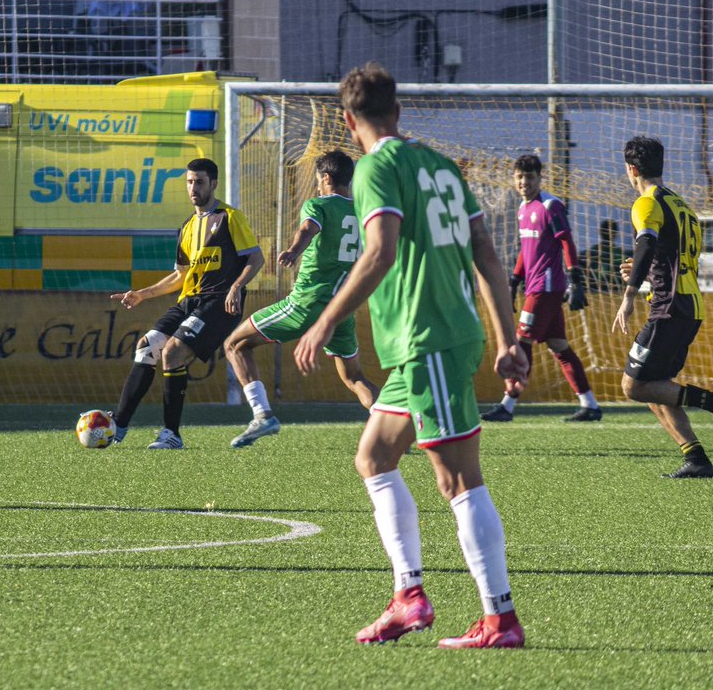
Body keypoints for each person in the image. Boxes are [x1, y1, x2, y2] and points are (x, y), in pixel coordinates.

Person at [296, 62, 529, 649]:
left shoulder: (375, 167)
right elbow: (487, 255)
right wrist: (506, 340)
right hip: (430, 343)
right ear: (398, 111)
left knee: (458, 481)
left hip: (431, 338)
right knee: (373, 457)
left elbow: (378, 252)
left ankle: (500, 618)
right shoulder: (443, 167)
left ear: (349, 123)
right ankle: (408, 597)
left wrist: (325, 320)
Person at [223, 150, 378, 448]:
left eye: (319, 180)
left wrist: (294, 250)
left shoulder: (318, 204)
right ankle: (392, 427)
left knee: (234, 344)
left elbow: (308, 228)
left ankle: (262, 415)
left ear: (327, 178)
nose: (317, 186)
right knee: (355, 376)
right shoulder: (363, 211)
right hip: (342, 309)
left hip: (306, 303)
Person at [109, 158, 265, 449]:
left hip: (219, 302)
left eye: (200, 182)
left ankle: (171, 434)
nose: (194, 188)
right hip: (190, 301)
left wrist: (236, 287)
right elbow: (181, 276)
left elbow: (256, 258)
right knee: (146, 346)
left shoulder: (230, 218)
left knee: (173, 352)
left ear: (214, 184)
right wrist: (144, 294)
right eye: (190, 182)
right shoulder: (187, 226)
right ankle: (117, 426)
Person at [611, 136, 713, 478]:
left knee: (634, 386)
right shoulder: (684, 207)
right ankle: (696, 458)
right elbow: (674, 260)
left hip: (669, 308)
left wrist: (628, 294)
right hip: (687, 304)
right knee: (654, 383)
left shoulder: (646, 203)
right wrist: (647, 272)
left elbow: (647, 243)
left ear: (632, 169)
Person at [480, 154, 602, 423]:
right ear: (514, 179)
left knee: (521, 342)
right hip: (534, 286)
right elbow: (527, 249)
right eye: (520, 177)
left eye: (530, 177)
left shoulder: (550, 205)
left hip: (545, 288)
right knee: (559, 347)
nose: (525, 182)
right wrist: (514, 280)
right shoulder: (523, 209)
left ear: (539, 178)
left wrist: (576, 280)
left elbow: (567, 242)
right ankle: (590, 404)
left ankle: (507, 405)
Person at [582, 219, 632, 293]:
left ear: (600, 232)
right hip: (615, 288)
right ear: (616, 233)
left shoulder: (591, 252)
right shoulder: (622, 254)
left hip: (596, 288)